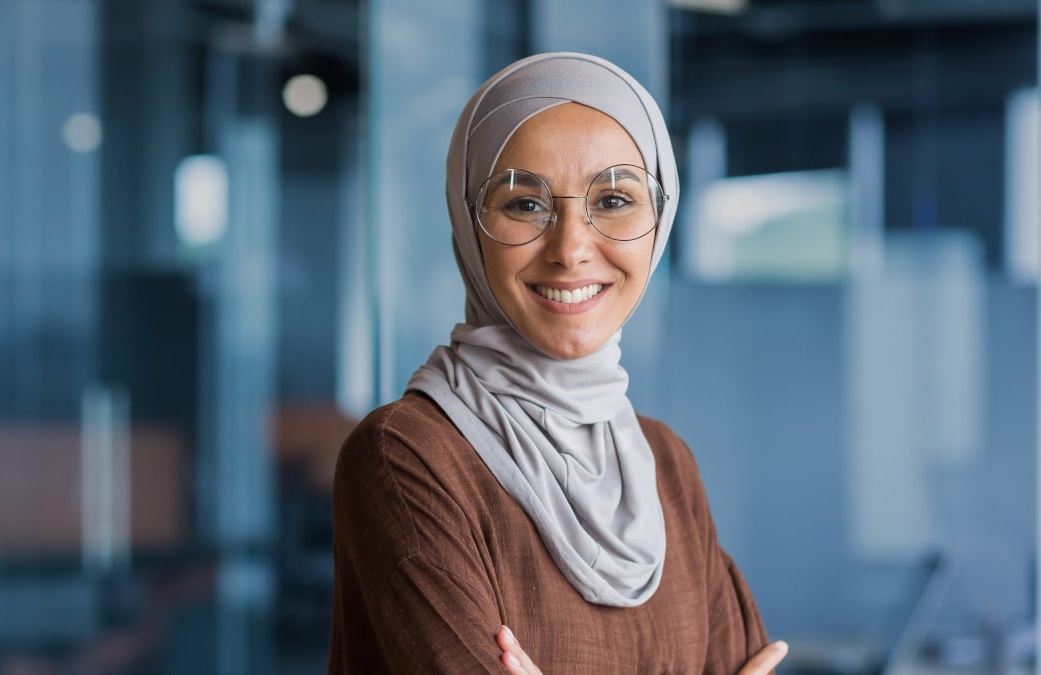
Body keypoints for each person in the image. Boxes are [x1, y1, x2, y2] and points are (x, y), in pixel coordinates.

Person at [328, 52, 788, 674]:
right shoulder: (406, 457)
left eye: (615, 199)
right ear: (470, 222)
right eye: (524, 205)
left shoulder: (665, 464)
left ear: (661, 219)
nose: (571, 248)